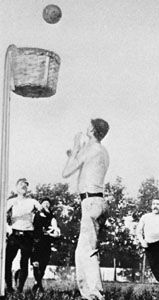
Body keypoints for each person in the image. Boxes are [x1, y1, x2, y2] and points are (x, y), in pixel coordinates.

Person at [62, 118, 110, 300]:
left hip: (90, 202)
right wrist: (74, 154)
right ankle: (88, 293)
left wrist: (75, 147)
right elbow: (86, 168)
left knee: (87, 250)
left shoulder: (90, 149)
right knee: (83, 249)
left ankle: (95, 294)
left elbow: (66, 172)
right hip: (98, 202)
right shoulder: (102, 151)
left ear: (91, 130)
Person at [5, 178, 42, 293]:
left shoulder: (32, 201)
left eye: (26, 185)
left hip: (27, 234)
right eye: (21, 184)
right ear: (16, 188)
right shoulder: (11, 201)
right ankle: (9, 287)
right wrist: (7, 228)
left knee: (24, 261)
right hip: (15, 233)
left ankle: (19, 288)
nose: (24, 186)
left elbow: (43, 211)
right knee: (7, 261)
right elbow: (2, 214)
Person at [30, 199, 60, 292]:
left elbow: (56, 231)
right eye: (44, 203)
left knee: (42, 266)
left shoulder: (52, 218)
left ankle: (37, 284)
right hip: (35, 242)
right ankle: (38, 285)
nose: (46, 205)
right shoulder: (34, 215)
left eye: (48, 204)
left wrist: (50, 234)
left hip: (46, 243)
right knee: (35, 264)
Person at [137, 198, 159, 282]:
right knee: (154, 268)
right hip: (149, 245)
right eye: (154, 204)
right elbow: (138, 231)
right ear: (151, 206)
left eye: (158, 204)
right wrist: (142, 241)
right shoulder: (145, 217)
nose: (156, 206)